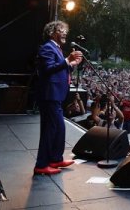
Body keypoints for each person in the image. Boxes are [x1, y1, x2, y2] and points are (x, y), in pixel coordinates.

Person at [34, 20, 83, 175]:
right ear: (52, 32)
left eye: (65, 30)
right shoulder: (47, 48)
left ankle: (55, 159)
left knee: (58, 128)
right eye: (61, 30)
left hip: (56, 95)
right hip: (49, 95)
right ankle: (41, 164)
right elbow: (48, 69)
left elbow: (59, 69)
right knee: (51, 129)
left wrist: (71, 64)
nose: (65, 33)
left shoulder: (57, 49)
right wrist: (67, 60)